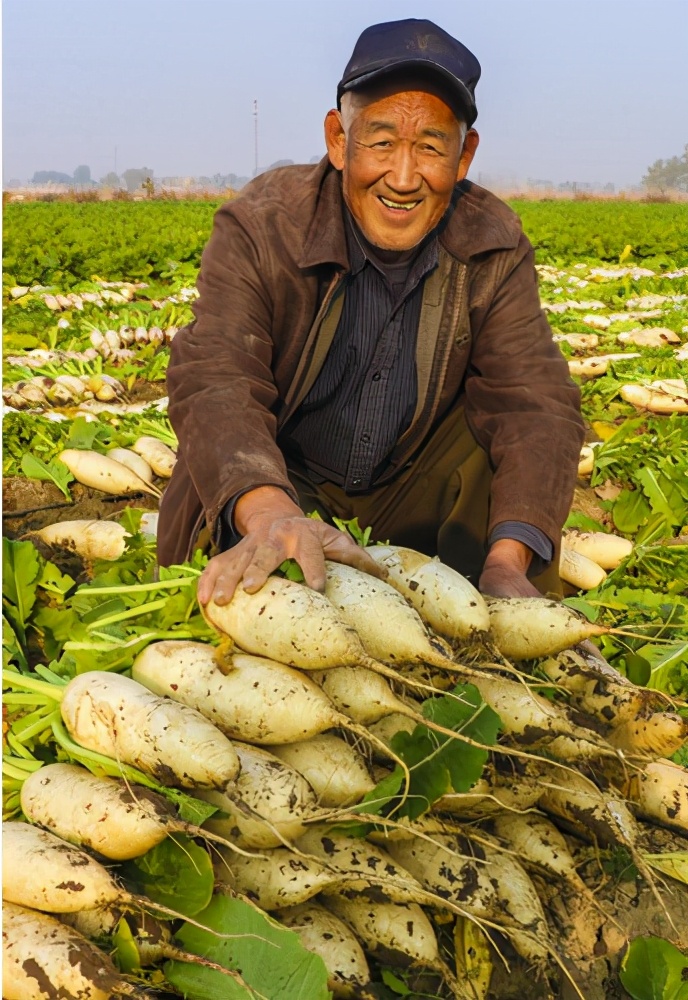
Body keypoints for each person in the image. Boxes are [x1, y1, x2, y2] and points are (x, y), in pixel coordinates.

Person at [158, 18, 585, 608]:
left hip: (406, 492)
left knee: (509, 424)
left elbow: (534, 401)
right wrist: (270, 512)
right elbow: (216, 376)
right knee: (254, 569)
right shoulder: (263, 226)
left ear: (465, 156)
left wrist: (511, 557)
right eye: (381, 142)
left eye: (431, 147)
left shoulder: (492, 245)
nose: (404, 178)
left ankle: (502, 611)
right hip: (286, 480)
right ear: (339, 140)